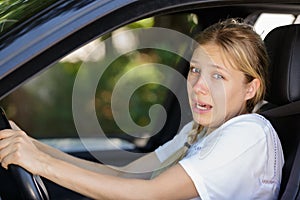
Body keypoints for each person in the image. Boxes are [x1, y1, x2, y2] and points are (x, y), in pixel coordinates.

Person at [0, 18, 284, 200]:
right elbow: (126, 175)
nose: (198, 86)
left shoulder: (249, 134)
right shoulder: (200, 131)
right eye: (196, 70)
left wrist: (41, 164)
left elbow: (147, 194)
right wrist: (33, 147)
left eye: (218, 76)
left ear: (251, 88)